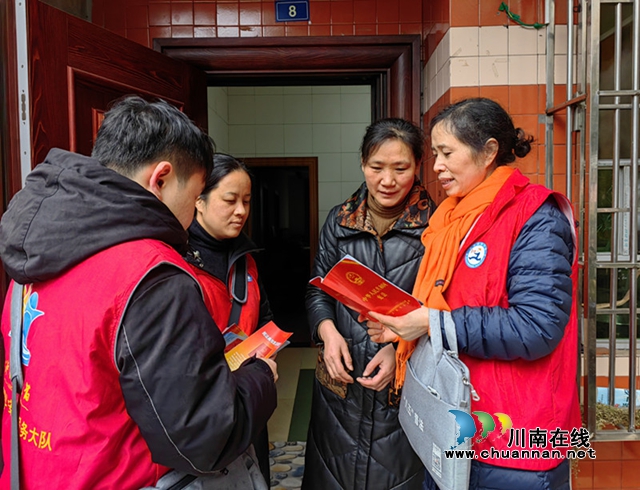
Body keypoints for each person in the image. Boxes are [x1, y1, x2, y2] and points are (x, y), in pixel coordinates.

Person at [0, 96, 278, 489]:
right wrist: (262, 377)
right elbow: (205, 439)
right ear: (160, 178)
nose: (189, 216)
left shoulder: (35, 254)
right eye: (195, 192)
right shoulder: (153, 275)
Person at [367, 98, 581, 490]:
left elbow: (537, 326)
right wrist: (406, 330)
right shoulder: (453, 217)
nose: (436, 167)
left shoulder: (535, 215)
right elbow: (449, 303)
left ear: (488, 152)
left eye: (447, 153)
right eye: (434, 154)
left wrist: (430, 323)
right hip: (458, 422)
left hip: (517, 437)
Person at [302, 118, 437, 489]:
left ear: (419, 165)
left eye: (401, 168)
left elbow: (444, 311)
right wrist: (327, 333)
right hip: (341, 384)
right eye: (377, 167)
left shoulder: (438, 226)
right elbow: (318, 289)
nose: (387, 180)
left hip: (403, 386)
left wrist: (400, 349)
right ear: (363, 163)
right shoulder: (339, 221)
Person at [185, 153, 274, 484]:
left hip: (248, 393)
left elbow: (264, 316)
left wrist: (264, 354)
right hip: (204, 404)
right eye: (230, 200)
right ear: (199, 201)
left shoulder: (245, 257)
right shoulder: (175, 260)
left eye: (247, 201)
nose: (241, 211)